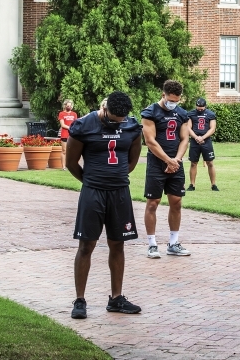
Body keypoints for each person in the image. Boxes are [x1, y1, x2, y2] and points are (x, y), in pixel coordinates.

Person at [66, 91, 143, 319]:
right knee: (86, 245)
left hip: (120, 192)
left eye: (121, 119)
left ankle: (116, 298)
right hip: (93, 192)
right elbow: (71, 163)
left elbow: (132, 161)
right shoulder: (84, 125)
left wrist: (115, 178)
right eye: (113, 118)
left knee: (118, 244)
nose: (117, 122)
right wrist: (92, 182)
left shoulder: (132, 127)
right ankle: (80, 300)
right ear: (105, 108)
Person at [142, 80, 190, 259]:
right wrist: (167, 160)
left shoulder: (182, 114)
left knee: (176, 202)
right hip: (156, 163)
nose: (173, 104)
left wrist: (176, 160)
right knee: (153, 203)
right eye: (170, 100)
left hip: (176, 163)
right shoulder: (150, 112)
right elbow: (150, 141)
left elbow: (184, 139)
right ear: (163, 95)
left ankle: (173, 242)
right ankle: (152, 244)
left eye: (176, 101)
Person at [186, 98, 219, 192]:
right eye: (198, 107)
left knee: (210, 163)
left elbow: (212, 128)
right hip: (194, 141)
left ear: (205, 106)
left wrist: (203, 137)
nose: (200, 109)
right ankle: (192, 184)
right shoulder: (191, 114)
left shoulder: (211, 114)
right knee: (193, 163)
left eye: (201, 107)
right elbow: (188, 127)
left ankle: (213, 185)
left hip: (206, 141)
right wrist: (196, 137)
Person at [58, 99, 78, 170]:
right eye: (67, 105)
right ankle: (63, 166)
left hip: (72, 135)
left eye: (70, 105)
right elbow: (63, 125)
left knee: (73, 151)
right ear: (65, 105)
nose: (69, 106)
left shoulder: (74, 114)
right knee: (64, 150)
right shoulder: (61, 114)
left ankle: (71, 166)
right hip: (64, 134)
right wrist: (70, 128)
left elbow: (75, 123)